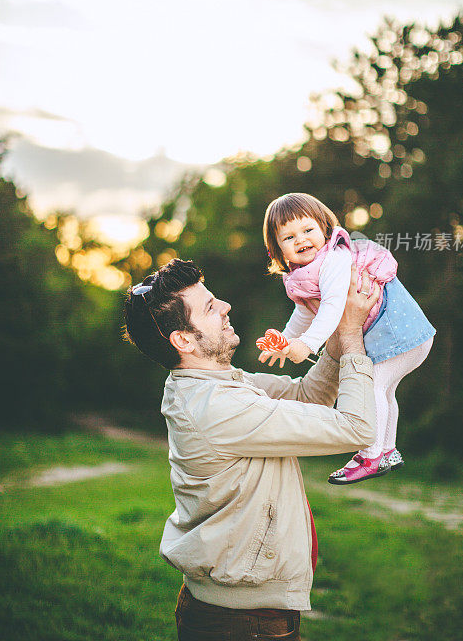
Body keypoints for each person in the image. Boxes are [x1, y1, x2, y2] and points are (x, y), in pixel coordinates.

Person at [124, 256, 379, 641]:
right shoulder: (217, 407)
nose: (225, 307)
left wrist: (336, 333)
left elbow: (308, 395)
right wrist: (353, 334)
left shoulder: (220, 384)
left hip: (241, 613)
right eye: (210, 307)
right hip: (244, 623)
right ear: (184, 339)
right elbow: (357, 428)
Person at [261, 192, 436, 484]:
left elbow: (331, 309)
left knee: (373, 385)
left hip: (403, 335)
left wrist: (306, 345)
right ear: (276, 249)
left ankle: (371, 454)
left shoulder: (334, 260)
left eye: (307, 230)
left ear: (324, 228)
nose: (301, 240)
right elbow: (305, 314)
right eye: (289, 238)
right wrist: (287, 340)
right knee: (385, 390)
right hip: (402, 338)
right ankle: (388, 450)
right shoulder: (302, 274)